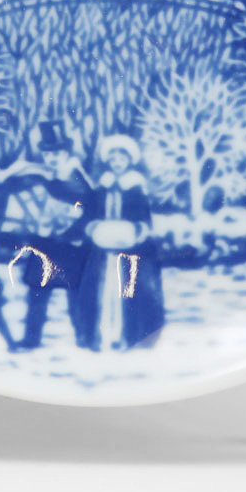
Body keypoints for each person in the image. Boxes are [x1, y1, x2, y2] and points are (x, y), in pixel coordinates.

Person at [0, 120, 92, 349]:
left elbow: (89, 207)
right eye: (48, 154)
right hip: (44, 245)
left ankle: (84, 337)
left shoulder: (76, 175)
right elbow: (11, 188)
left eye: (57, 153)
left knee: (75, 293)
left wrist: (73, 231)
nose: (52, 158)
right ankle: (31, 339)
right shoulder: (42, 176)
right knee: (37, 292)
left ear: (67, 153)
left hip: (71, 245)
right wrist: (17, 168)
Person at [74, 135, 165, 351]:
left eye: (121, 159)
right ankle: (97, 336)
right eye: (113, 159)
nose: (117, 163)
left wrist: (137, 231)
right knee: (99, 290)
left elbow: (144, 218)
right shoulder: (101, 188)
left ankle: (129, 335)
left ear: (129, 161)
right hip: (102, 250)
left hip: (130, 248)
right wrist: (92, 227)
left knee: (130, 289)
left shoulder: (136, 188)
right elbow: (90, 213)